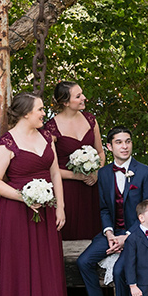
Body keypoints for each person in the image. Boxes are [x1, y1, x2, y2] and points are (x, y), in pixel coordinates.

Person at [0, 92, 72, 296]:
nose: (44, 113)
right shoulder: (6, 144)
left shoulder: (46, 137)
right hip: (16, 215)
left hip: (46, 211)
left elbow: (55, 173)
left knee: (47, 267)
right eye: (40, 110)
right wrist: (23, 197)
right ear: (26, 113)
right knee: (21, 269)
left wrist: (61, 206)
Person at [75, 126, 148, 296]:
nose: (124, 146)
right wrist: (110, 233)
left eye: (128, 141)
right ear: (109, 147)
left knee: (121, 270)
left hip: (136, 234)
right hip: (112, 232)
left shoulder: (145, 172)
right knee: (83, 262)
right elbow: (104, 209)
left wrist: (127, 236)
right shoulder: (103, 174)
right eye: (119, 142)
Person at [44, 81, 105, 241]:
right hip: (67, 189)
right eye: (78, 96)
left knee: (95, 230)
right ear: (65, 102)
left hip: (92, 187)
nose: (84, 98)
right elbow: (50, 167)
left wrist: (97, 171)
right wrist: (76, 176)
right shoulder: (51, 128)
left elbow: (100, 152)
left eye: (82, 94)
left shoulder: (91, 120)